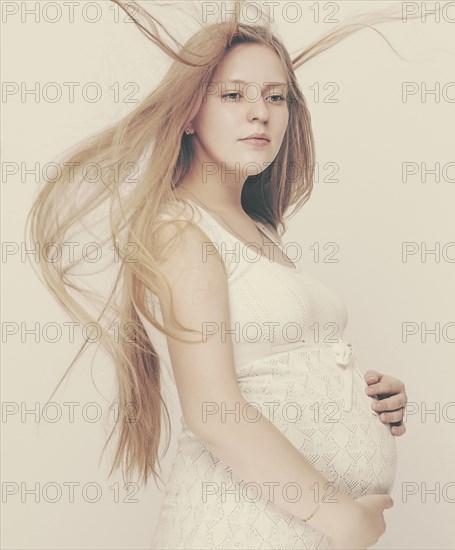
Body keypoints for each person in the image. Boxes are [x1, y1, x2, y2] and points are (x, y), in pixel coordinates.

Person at [26, 1, 418, 548]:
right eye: (234, 95)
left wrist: (357, 394)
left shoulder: (254, 228)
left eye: (275, 97)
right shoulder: (180, 233)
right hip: (242, 529)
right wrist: (345, 520)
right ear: (189, 112)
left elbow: (265, 366)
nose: (260, 112)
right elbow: (214, 412)